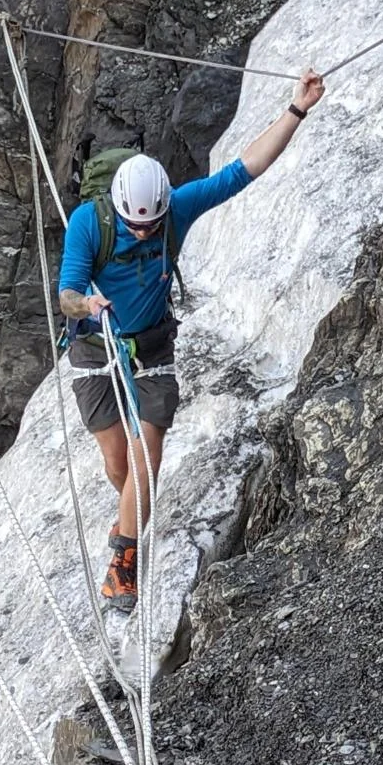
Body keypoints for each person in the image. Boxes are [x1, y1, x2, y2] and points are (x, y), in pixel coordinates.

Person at [58, 70, 326, 611]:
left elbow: (242, 171)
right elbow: (65, 292)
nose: (143, 234)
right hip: (96, 345)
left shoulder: (174, 208)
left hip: (152, 346)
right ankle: (132, 516)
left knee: (145, 457)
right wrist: (88, 303)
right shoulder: (89, 222)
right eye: (135, 227)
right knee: (118, 465)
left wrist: (296, 111)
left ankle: (122, 564)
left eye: (150, 226)